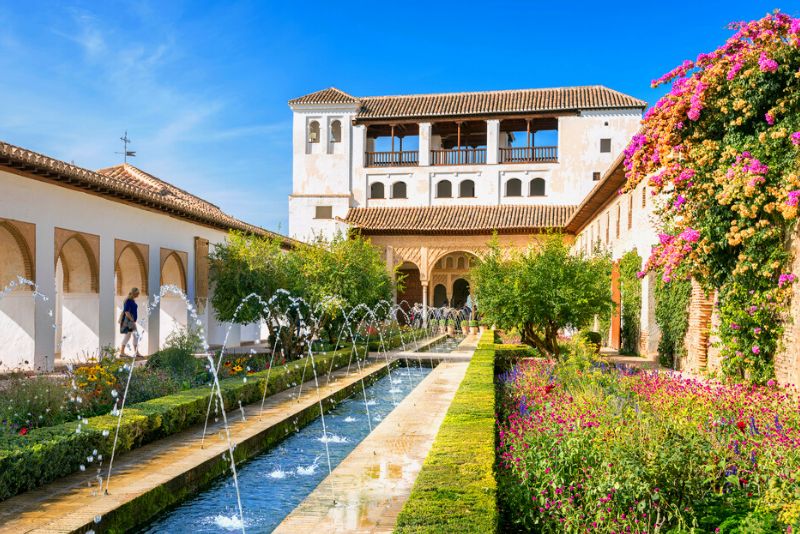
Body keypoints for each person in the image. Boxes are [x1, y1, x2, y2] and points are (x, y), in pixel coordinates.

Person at [119, 287, 141, 357]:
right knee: (134, 336)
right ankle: (135, 352)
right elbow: (126, 312)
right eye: (137, 293)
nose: (138, 294)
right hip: (129, 322)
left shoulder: (132, 300)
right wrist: (132, 320)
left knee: (130, 336)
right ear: (134, 293)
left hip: (131, 321)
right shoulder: (128, 301)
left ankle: (123, 352)